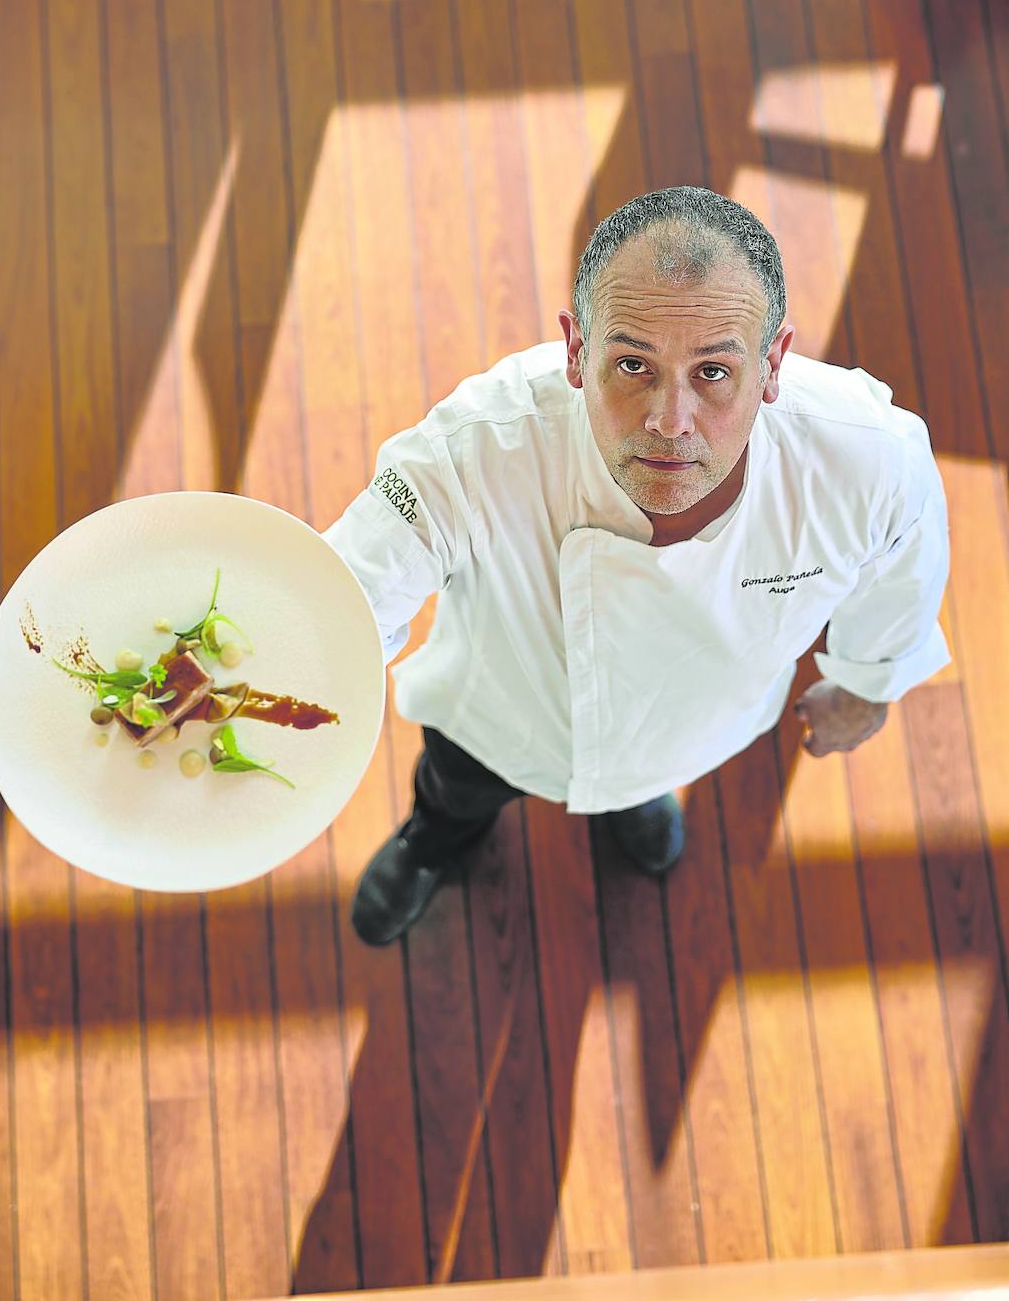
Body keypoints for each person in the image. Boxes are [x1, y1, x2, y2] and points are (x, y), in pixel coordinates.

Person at [323, 186, 950, 947]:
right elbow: (342, 596)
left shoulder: (869, 457)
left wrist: (866, 681)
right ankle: (431, 846)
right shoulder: (474, 446)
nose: (669, 421)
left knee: (650, 773)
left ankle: (636, 797)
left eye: (713, 373)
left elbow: (902, 571)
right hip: (500, 710)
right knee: (454, 793)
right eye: (632, 364)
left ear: (773, 363)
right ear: (576, 353)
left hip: (690, 717)